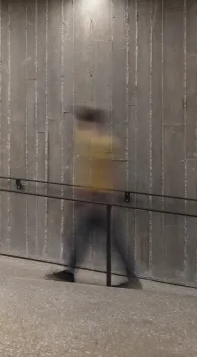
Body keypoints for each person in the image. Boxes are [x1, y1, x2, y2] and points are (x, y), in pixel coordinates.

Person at [50, 107, 141, 289]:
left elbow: (107, 172)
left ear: (93, 124)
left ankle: (131, 278)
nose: (80, 127)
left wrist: (100, 197)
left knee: (106, 240)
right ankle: (70, 271)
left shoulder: (101, 144)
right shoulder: (98, 143)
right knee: (82, 237)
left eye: (83, 124)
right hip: (97, 199)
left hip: (99, 200)